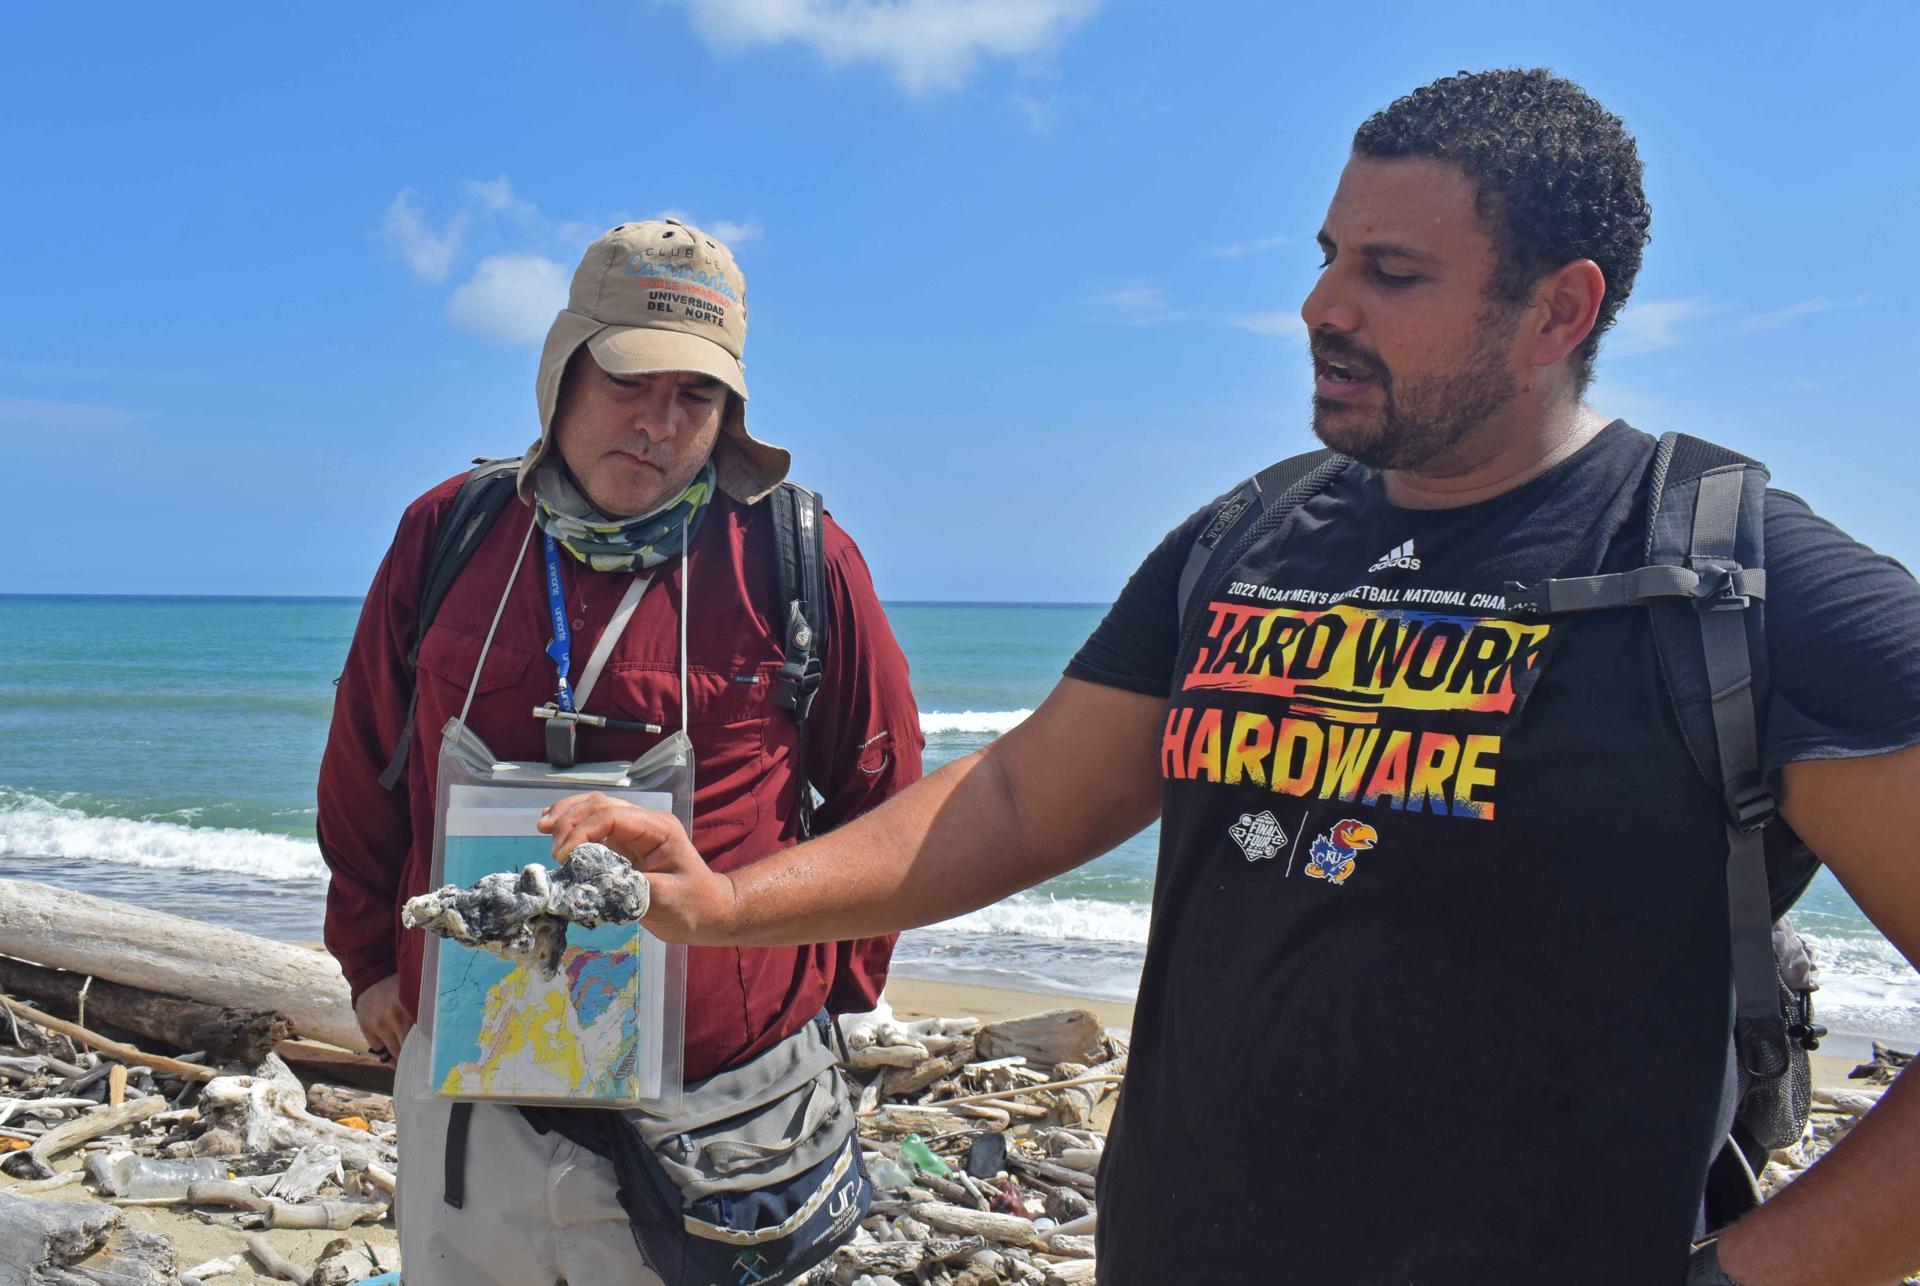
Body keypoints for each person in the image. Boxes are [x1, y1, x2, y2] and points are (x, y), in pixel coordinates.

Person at [540, 73, 1920, 1284]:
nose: (1321, 305)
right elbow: (1024, 793)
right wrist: (728, 903)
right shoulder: (1250, 535)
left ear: (1559, 310)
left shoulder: (1726, 576)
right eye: (1329, 255)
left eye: (1393, 272)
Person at [317, 218, 924, 1285]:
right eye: (630, 382)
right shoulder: (449, 532)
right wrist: (369, 955)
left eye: (697, 396)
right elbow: (366, 758)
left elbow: (884, 791)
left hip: (717, 1117)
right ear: (562, 371)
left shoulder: (797, 556)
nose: (659, 423)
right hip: (477, 1099)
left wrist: (814, 984)